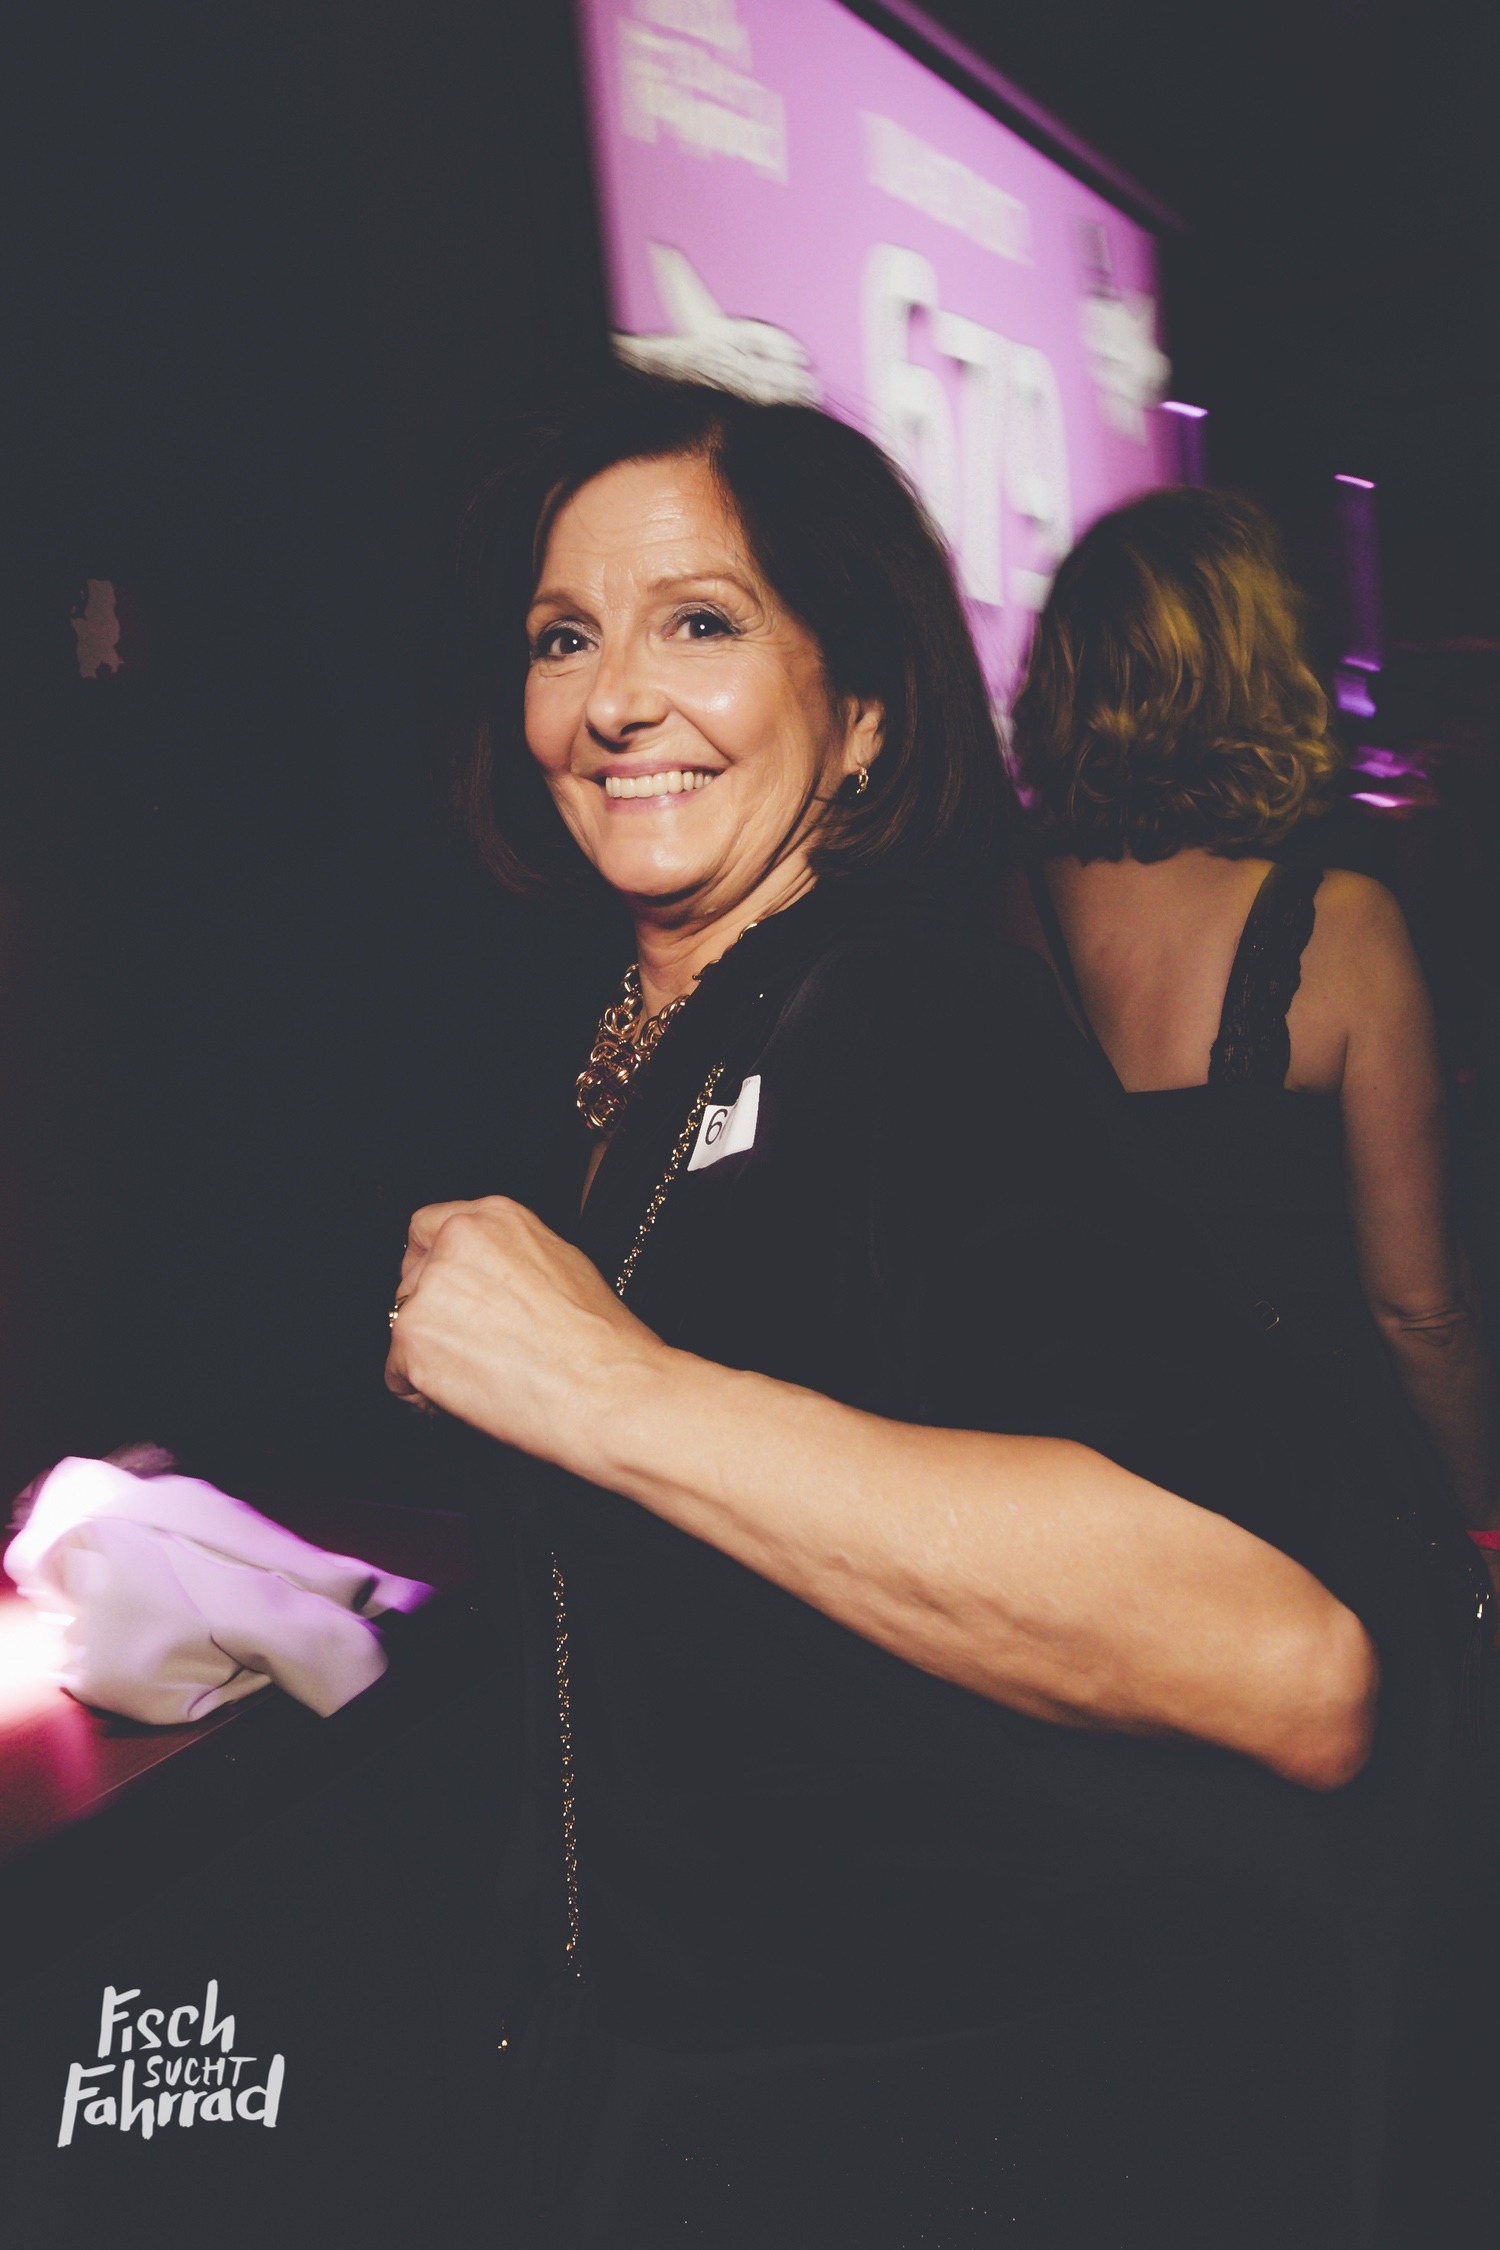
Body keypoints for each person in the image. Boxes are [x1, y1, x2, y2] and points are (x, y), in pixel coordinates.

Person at [385, 378, 1424, 2248]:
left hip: (945, 2123)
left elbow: (1287, 1653)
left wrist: (603, 1388)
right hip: (689, 2096)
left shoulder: (906, 1020)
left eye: (701, 622)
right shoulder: (634, 1057)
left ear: (858, 709)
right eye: (564, 636)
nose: (616, 698)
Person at [1001, 486, 1500, 1578]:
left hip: (1059, 1522)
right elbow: (1421, 1311)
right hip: (1291, 1526)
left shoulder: (987, 920)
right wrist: (1487, 1526)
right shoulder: (1342, 930)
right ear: (1260, 672)